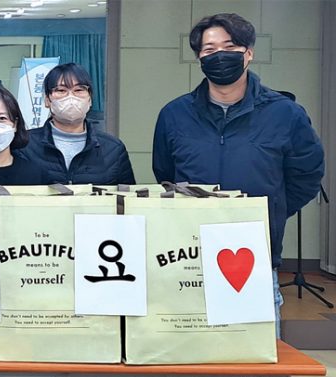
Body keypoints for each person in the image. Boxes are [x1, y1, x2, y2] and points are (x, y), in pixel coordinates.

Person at [153, 12, 324, 337]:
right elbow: (165, 173)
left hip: (256, 254)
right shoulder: (174, 115)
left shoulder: (285, 113)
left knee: (255, 358)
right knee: (190, 353)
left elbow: (307, 174)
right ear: (199, 58)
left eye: (229, 46)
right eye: (209, 49)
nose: (219, 55)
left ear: (248, 53)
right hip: (187, 257)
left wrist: (272, 209)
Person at [18, 63, 134, 185]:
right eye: (61, 90)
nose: (71, 98)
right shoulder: (24, 145)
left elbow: (128, 195)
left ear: (90, 99)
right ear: (47, 100)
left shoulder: (113, 149)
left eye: (78, 90)